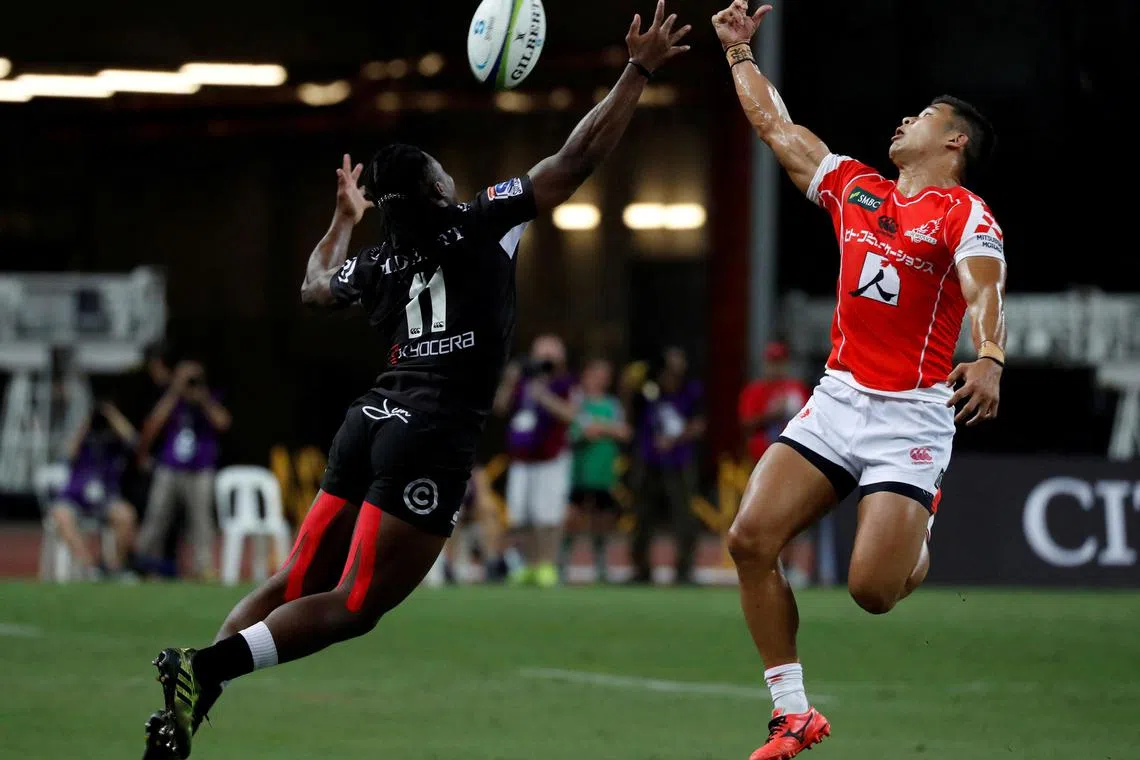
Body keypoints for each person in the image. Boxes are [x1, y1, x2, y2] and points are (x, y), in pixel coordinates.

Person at [140, 6, 691, 758]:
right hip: (429, 435)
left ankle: (185, 715)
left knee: (296, 580)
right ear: (438, 189)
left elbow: (311, 286)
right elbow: (578, 155)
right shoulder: (483, 220)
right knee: (357, 603)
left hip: (368, 418)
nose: (453, 175)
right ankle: (202, 669)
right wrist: (637, 70)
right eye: (444, 172)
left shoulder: (381, 261)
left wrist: (342, 219)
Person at [712, 3, 1008, 758]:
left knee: (873, 592)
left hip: (911, 417)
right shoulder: (856, 188)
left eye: (923, 114)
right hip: (839, 399)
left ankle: (919, 532)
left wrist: (990, 355)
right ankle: (792, 714)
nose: (903, 118)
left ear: (954, 140)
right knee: (749, 539)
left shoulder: (962, 212)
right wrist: (740, 55)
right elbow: (778, 130)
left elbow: (983, 288)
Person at [134, 360, 232, 580]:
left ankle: (203, 568)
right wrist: (175, 390)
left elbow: (223, 422)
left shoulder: (210, 398)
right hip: (170, 467)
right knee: (157, 517)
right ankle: (145, 565)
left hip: (200, 469)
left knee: (201, 521)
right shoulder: (172, 400)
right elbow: (152, 424)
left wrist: (203, 397)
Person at [493, 335, 576, 587]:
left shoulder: (565, 382)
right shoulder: (522, 381)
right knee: (522, 515)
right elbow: (500, 407)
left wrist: (544, 397)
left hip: (551, 457)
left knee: (548, 515)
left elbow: (571, 414)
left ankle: (547, 564)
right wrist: (509, 381)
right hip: (522, 458)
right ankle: (529, 564)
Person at [737, 342, 813, 588]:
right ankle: (764, 567)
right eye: (771, 362)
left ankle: (789, 567)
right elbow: (746, 424)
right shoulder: (755, 391)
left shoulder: (796, 389)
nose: (775, 367)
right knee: (760, 519)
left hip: (793, 463)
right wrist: (772, 413)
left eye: (779, 362)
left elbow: (813, 423)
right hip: (761, 464)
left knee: (791, 518)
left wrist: (788, 412)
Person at [629, 347, 705, 585]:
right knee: (643, 516)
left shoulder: (691, 391)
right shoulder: (647, 390)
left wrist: (674, 439)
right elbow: (630, 415)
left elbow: (699, 424)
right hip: (649, 460)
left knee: (683, 516)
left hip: (679, 461)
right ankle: (641, 570)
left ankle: (684, 570)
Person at [47, 401, 139, 579]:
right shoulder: (84, 440)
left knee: (126, 515)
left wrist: (112, 415)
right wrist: (87, 421)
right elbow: (69, 453)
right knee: (60, 515)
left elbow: (134, 440)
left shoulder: (114, 443)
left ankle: (115, 567)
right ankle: (90, 568)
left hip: (105, 498)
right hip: (75, 497)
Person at [561, 358, 630, 583]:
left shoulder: (612, 404)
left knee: (602, 518)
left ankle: (601, 565)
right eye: (597, 374)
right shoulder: (577, 402)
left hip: (603, 471)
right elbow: (574, 432)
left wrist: (601, 427)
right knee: (573, 517)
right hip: (579, 471)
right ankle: (562, 563)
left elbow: (624, 432)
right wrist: (594, 429)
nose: (601, 380)